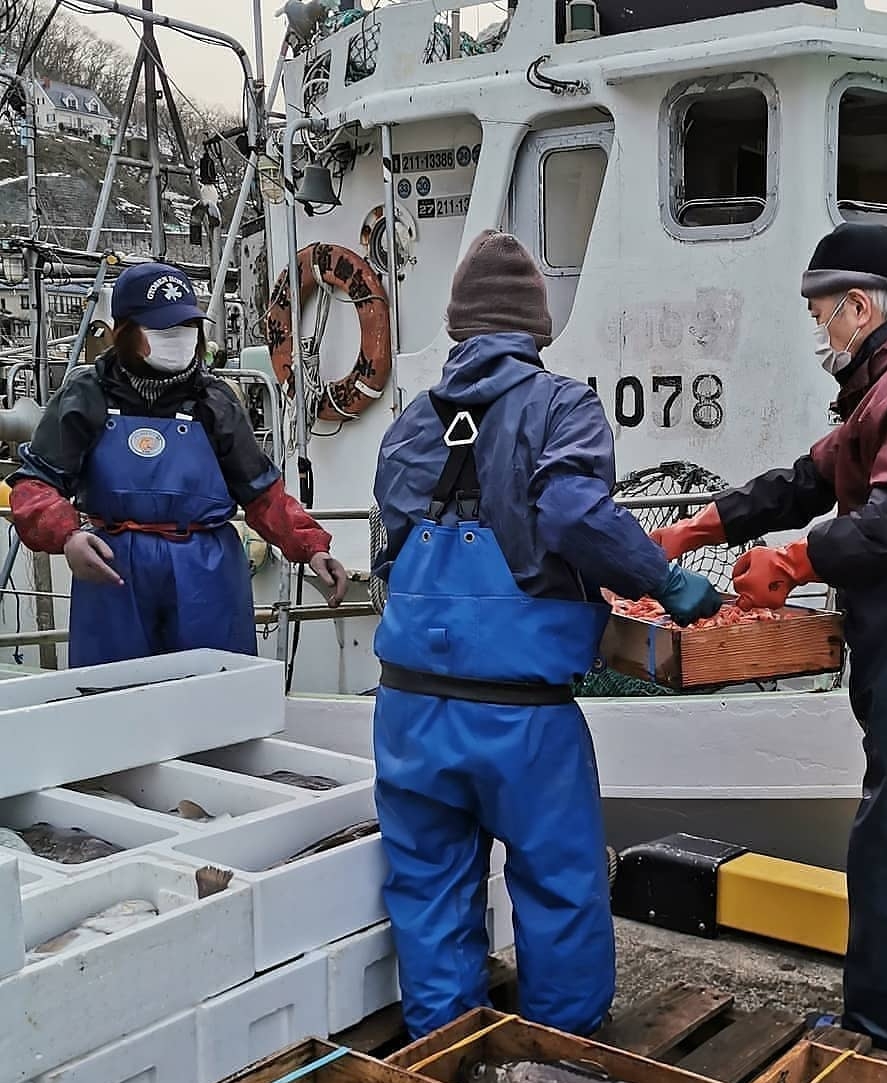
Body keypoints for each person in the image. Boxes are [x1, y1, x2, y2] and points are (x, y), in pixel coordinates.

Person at [651, 223, 887, 1053]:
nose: (819, 334)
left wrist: (793, 560)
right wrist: (703, 528)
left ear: (860, 307)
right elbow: (809, 478)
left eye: (823, 315)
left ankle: (878, 1037)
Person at [370, 231, 722, 1040]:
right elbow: (570, 514)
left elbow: (389, 549)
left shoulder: (408, 427)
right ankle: (561, 1057)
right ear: (538, 330)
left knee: (427, 885)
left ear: (459, 330)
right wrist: (663, 581)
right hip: (520, 718)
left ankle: (446, 1054)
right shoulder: (560, 404)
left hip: (410, 707)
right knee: (558, 884)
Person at [10, 261, 346, 665]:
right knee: (112, 696)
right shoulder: (85, 397)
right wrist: (67, 535)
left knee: (211, 693)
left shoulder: (216, 402)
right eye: (162, 329)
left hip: (206, 572)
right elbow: (34, 487)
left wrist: (310, 547)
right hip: (113, 569)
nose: (179, 339)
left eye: (186, 327)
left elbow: (262, 496)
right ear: (123, 332)